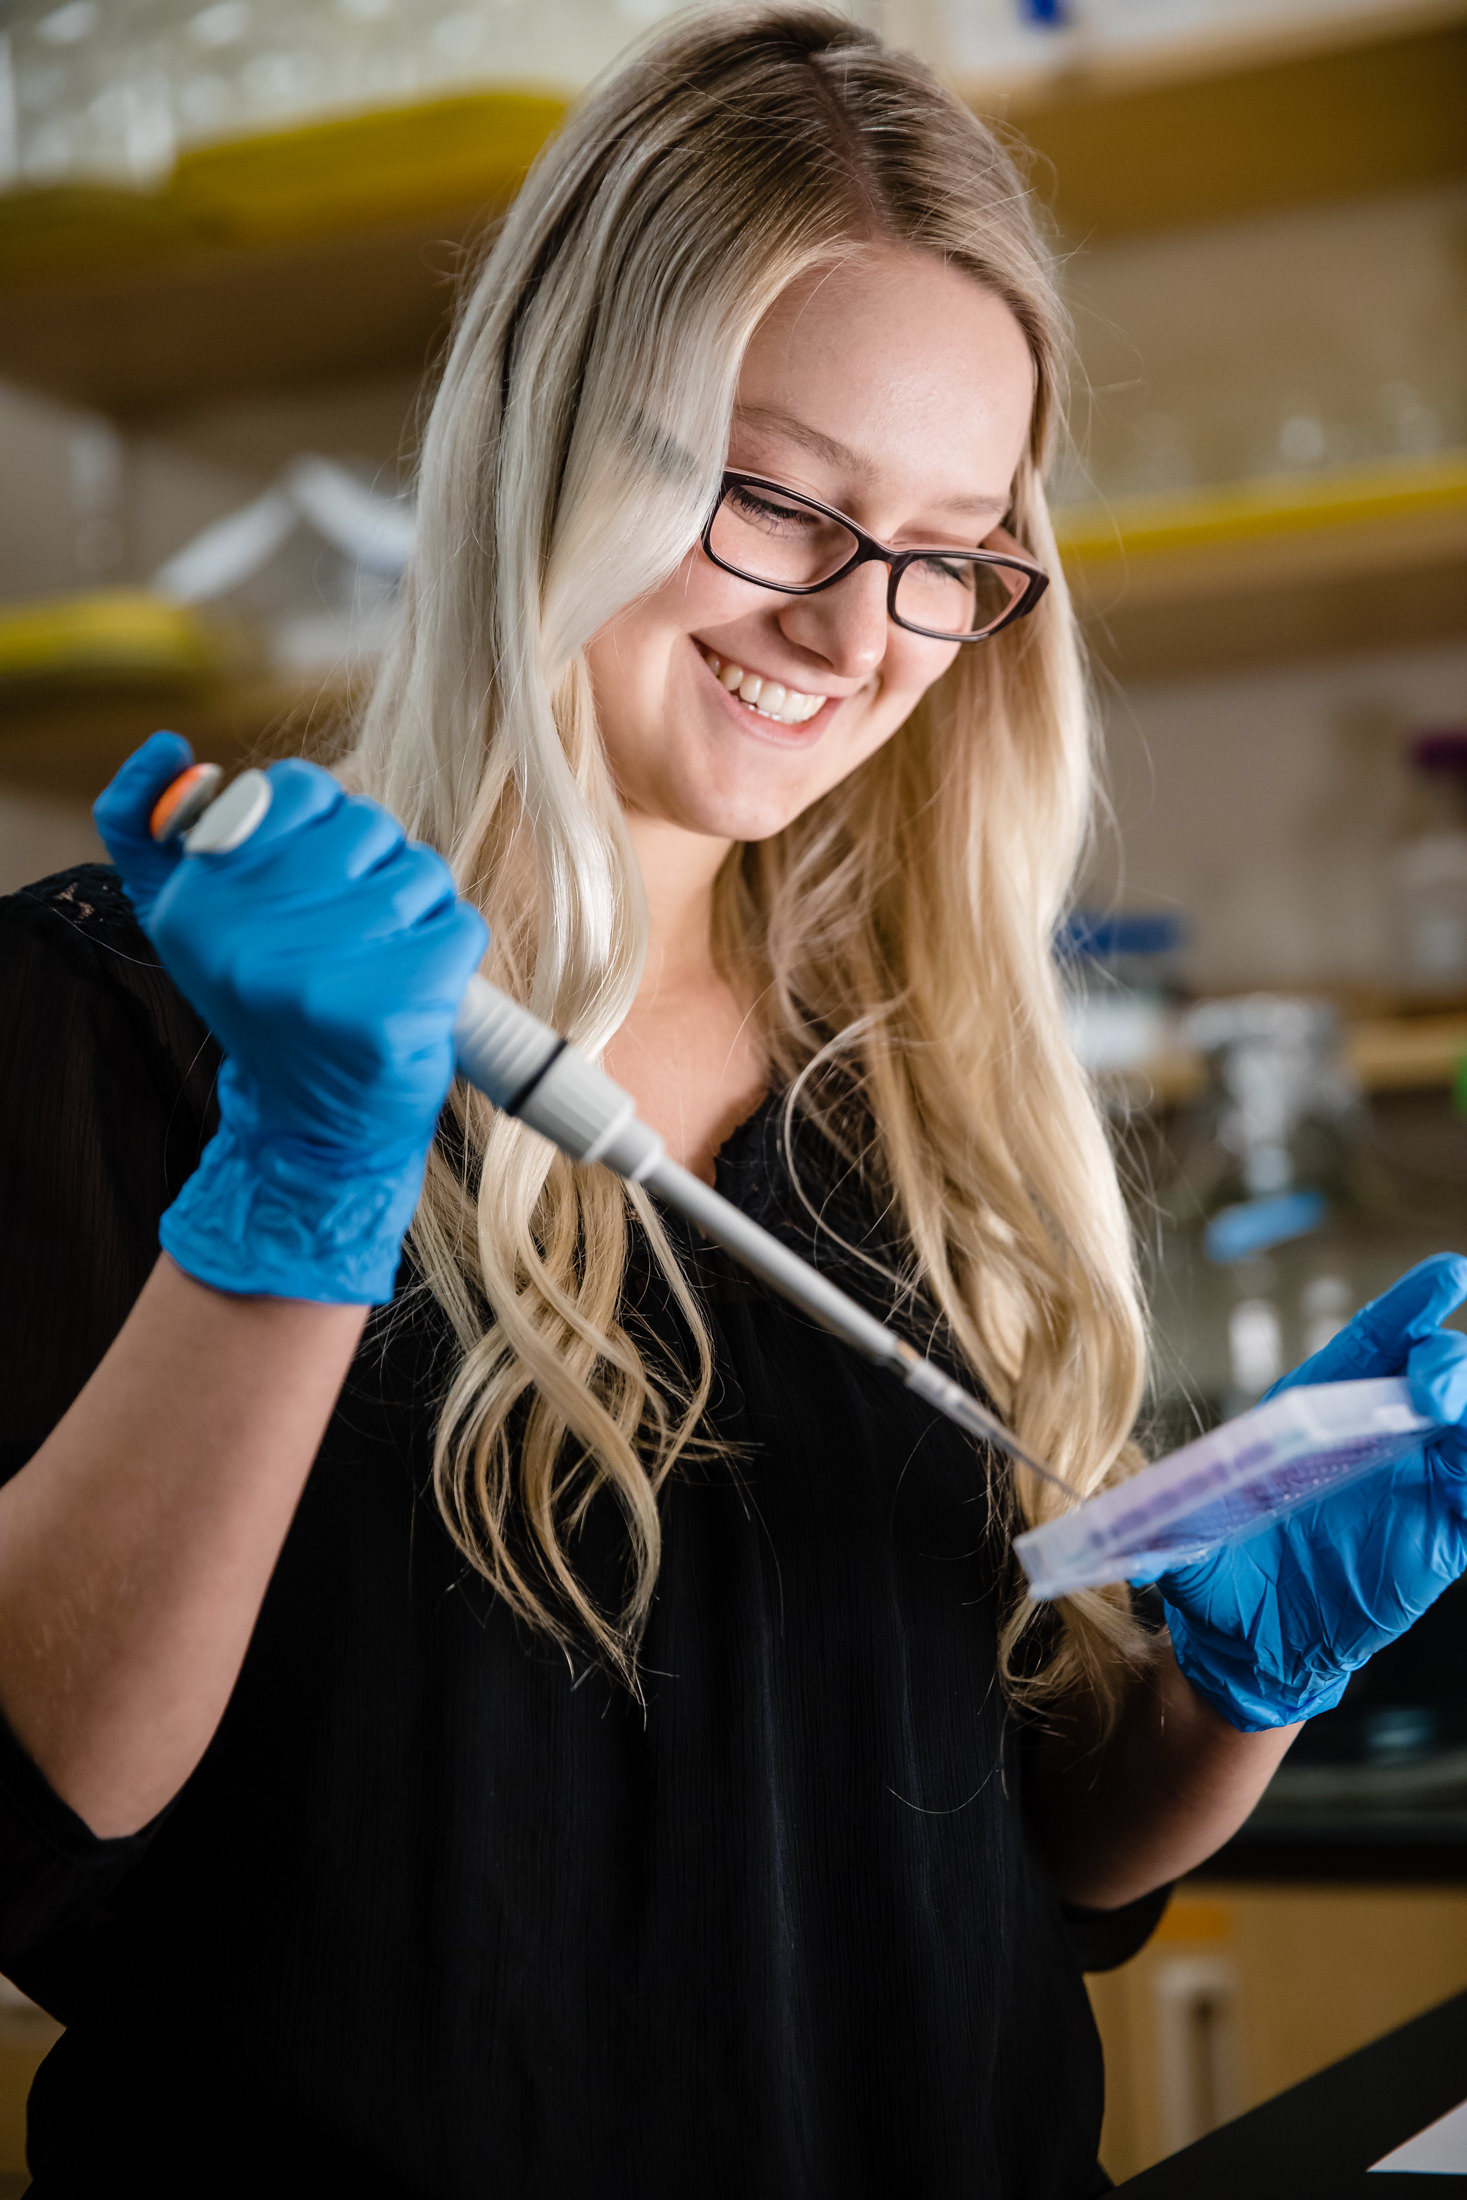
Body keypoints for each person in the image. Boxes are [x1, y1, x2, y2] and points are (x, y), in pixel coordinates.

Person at [3, 8, 1467, 2195]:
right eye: (777, 496)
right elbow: (35, 1808)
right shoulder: (138, 1012)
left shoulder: (943, 1086)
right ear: (551, 433)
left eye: (947, 549)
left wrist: (1222, 1680)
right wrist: (302, 1169)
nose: (856, 626)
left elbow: (1045, 1877)